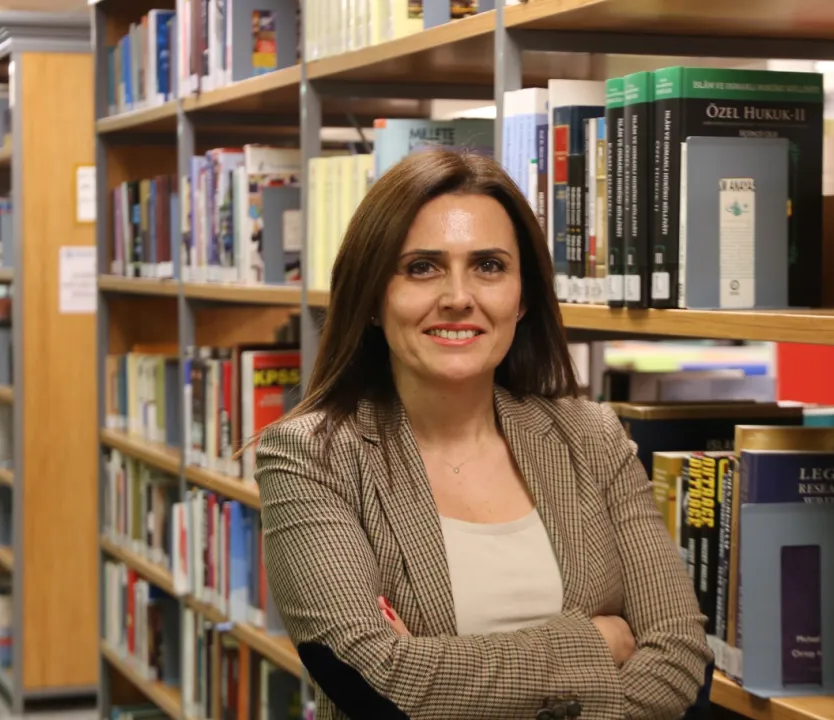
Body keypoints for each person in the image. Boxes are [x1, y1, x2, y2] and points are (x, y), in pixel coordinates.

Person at [251, 148, 713, 719]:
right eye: (422, 267)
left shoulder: (591, 437)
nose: (458, 297)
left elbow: (679, 655)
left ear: (523, 298)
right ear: (372, 297)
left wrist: (437, 668)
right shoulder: (311, 456)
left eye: (489, 266)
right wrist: (597, 643)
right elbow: (373, 678)